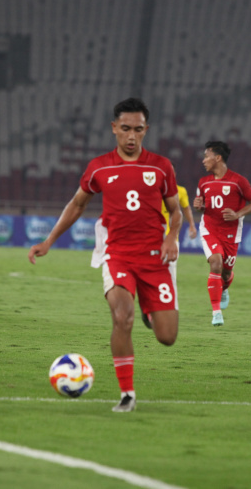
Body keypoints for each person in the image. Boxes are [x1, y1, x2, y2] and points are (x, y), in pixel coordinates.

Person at [28, 98, 182, 413]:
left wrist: (172, 238)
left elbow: (176, 211)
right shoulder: (99, 167)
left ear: (145, 131)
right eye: (125, 129)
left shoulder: (161, 166)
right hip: (118, 256)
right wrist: (49, 241)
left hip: (155, 259)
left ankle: (149, 311)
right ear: (114, 128)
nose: (131, 136)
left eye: (138, 130)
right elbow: (77, 204)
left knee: (168, 337)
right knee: (121, 317)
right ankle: (127, 394)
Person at [193, 141, 251, 326]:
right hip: (210, 229)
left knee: (226, 271)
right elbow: (203, 205)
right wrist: (199, 207)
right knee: (215, 262)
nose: (204, 160)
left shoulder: (239, 181)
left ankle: (223, 289)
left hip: (231, 233)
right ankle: (216, 313)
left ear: (218, 158)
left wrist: (237, 214)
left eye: (207, 156)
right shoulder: (203, 183)